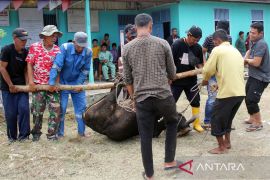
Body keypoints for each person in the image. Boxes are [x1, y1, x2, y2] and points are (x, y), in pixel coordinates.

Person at [123, 13, 180, 180]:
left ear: (135, 27)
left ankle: (149, 174)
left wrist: (134, 97)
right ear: (150, 25)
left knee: (145, 136)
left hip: (142, 99)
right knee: (172, 122)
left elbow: (127, 78)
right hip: (164, 95)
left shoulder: (127, 48)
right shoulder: (163, 44)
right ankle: (169, 161)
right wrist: (168, 78)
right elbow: (173, 72)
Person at [202, 29, 245, 154]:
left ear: (218, 40)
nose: (214, 45)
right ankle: (227, 142)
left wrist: (205, 80)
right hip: (240, 92)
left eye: (214, 42)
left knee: (215, 119)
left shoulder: (217, 50)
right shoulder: (236, 51)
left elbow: (208, 69)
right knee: (227, 118)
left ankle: (221, 147)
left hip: (228, 92)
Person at [49, 32, 92, 138]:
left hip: (78, 83)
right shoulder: (65, 48)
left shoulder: (88, 52)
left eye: (83, 46)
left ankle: (81, 133)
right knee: (62, 109)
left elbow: (86, 70)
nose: (81, 49)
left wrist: (79, 84)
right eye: (78, 46)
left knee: (81, 110)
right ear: (73, 42)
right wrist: (52, 83)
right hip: (63, 83)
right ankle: (60, 134)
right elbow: (57, 65)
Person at [26, 25, 62, 141]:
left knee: (55, 111)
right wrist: (31, 81)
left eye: (55, 35)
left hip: (52, 87)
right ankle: (36, 134)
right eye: (52, 35)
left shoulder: (57, 49)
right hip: (38, 85)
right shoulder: (34, 47)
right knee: (37, 111)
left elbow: (58, 67)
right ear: (44, 36)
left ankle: (52, 135)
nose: (54, 37)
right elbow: (29, 64)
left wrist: (56, 83)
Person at [171, 26, 204, 133]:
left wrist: (203, 70)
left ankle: (196, 123)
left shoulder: (197, 48)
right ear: (188, 35)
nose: (195, 42)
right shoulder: (177, 45)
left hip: (191, 80)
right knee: (171, 102)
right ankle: (170, 124)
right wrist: (169, 77)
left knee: (195, 101)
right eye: (194, 40)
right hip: (176, 80)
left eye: (197, 40)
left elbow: (199, 64)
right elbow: (169, 62)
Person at [0, 28, 30, 142]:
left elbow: (26, 70)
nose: (24, 42)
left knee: (24, 110)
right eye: (22, 40)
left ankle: (24, 136)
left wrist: (27, 84)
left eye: (26, 40)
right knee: (10, 113)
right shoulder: (7, 50)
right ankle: (12, 137)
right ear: (15, 38)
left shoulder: (26, 52)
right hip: (7, 87)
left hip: (21, 86)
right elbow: (2, 68)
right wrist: (10, 85)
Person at [202, 20, 232, 128]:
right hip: (213, 71)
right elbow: (203, 50)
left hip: (223, 71)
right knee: (213, 97)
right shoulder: (210, 38)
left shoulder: (229, 38)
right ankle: (208, 121)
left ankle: (219, 120)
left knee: (221, 97)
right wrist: (206, 64)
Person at [244, 22, 270, 132]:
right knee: (246, 96)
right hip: (253, 75)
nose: (251, 35)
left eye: (254, 33)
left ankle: (258, 123)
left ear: (261, 33)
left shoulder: (261, 44)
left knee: (252, 99)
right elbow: (249, 51)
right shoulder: (253, 41)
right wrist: (245, 57)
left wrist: (244, 61)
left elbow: (256, 62)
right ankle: (252, 118)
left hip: (261, 77)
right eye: (250, 32)